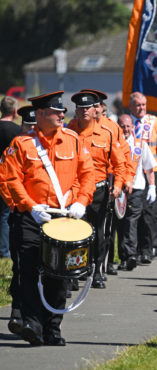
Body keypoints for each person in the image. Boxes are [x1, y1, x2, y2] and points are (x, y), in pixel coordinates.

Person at [1, 91, 95, 346]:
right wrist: (29, 207)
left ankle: (53, 327)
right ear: (40, 115)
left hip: (62, 216)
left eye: (62, 111)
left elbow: (88, 174)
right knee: (28, 270)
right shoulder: (22, 145)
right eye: (56, 112)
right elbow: (11, 179)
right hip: (32, 217)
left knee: (59, 273)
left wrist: (81, 201)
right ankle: (33, 323)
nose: (62, 115)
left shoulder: (73, 141)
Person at [67, 91, 127, 288]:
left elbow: (120, 164)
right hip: (75, 190)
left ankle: (96, 270)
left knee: (99, 234)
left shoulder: (107, 133)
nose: (84, 111)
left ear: (96, 110)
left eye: (88, 108)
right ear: (76, 110)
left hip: (99, 190)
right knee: (76, 233)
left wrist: (118, 186)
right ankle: (74, 272)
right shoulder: (69, 130)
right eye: (81, 108)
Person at [80, 88, 132, 276]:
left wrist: (123, 182)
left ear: (101, 107)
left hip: (104, 186)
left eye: (96, 105)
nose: (93, 109)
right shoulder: (73, 127)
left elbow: (124, 158)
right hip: (78, 189)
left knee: (103, 230)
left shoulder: (111, 128)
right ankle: (80, 268)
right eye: (89, 106)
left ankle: (101, 267)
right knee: (81, 230)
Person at [129, 92, 157, 260]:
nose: (141, 108)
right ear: (131, 106)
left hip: (150, 171)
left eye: (144, 105)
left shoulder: (154, 122)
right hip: (131, 171)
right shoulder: (125, 121)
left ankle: (147, 250)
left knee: (148, 213)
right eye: (138, 105)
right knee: (132, 213)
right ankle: (133, 250)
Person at [116, 114, 157, 270]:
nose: (125, 129)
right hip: (118, 189)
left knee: (131, 222)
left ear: (133, 127)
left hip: (137, 188)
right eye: (122, 126)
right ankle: (121, 256)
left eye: (128, 126)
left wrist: (152, 187)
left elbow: (149, 168)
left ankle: (130, 255)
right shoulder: (115, 143)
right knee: (119, 223)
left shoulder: (140, 145)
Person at [0, 96, 21, 258]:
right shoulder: (17, 132)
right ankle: (4, 251)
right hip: (7, 178)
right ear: (15, 111)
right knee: (5, 216)